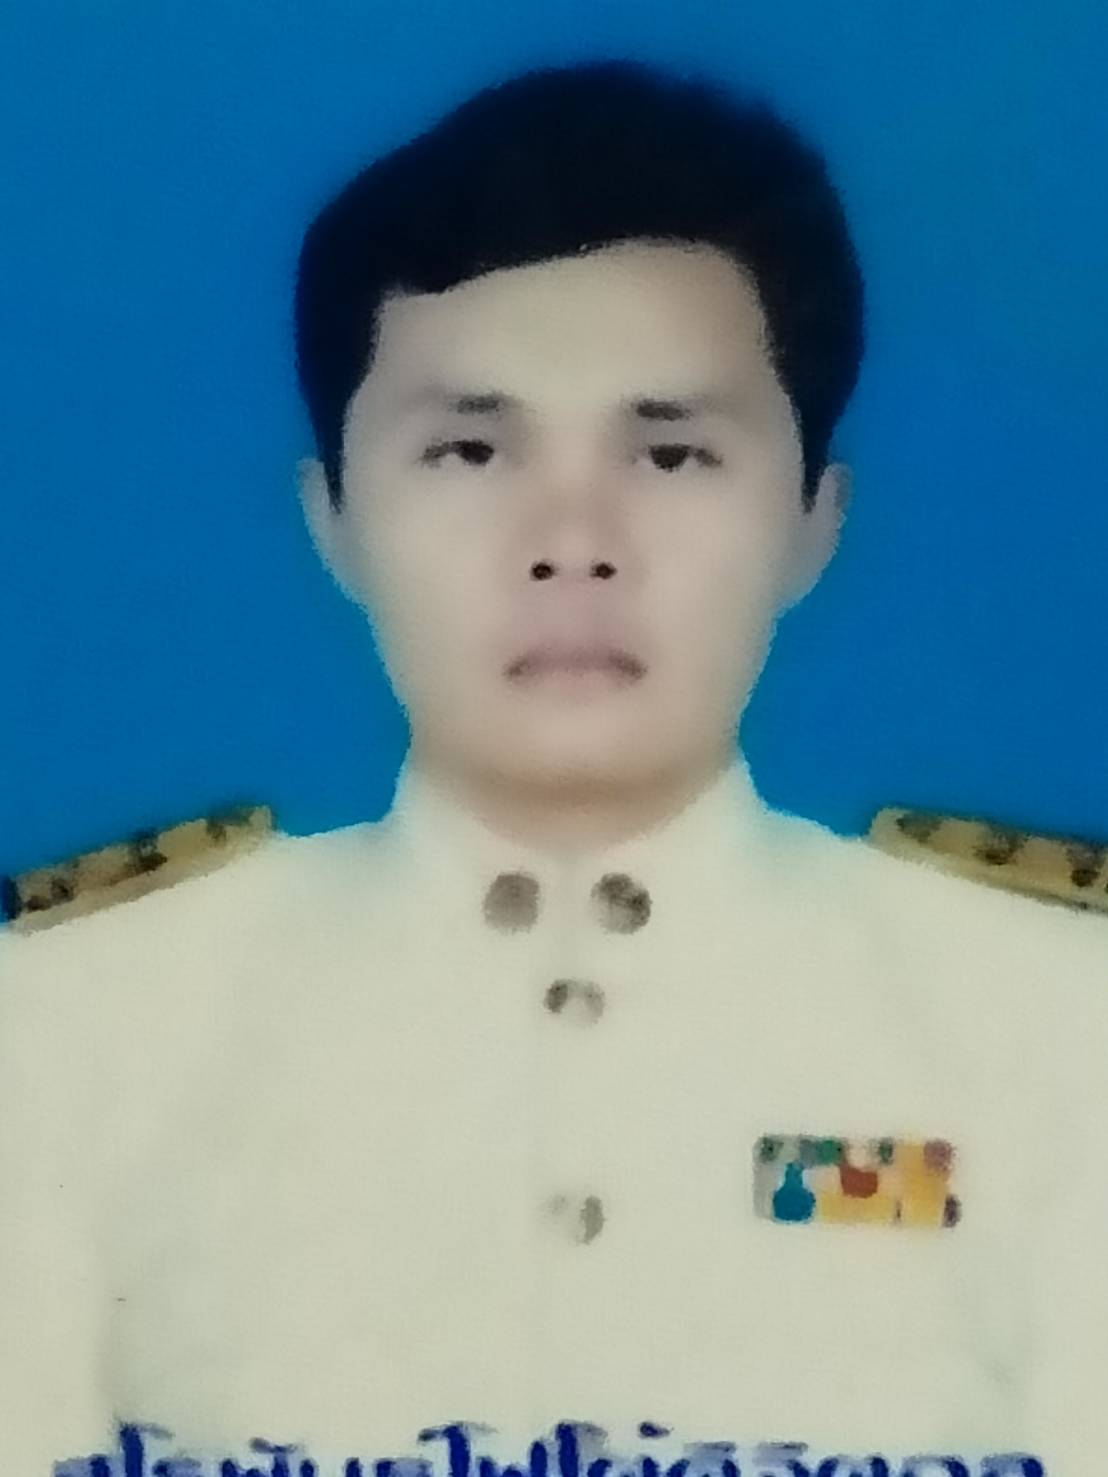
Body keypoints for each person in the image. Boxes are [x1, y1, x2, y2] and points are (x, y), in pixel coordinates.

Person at [2, 56, 1107, 1477]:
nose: (571, 541)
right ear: (332, 518)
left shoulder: (1056, 1024)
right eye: (470, 450)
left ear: (814, 520)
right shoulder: (72, 1030)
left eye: (673, 455)